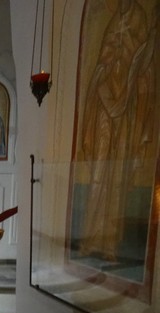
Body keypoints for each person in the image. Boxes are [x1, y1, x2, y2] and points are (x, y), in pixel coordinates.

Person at [77, 0, 156, 261]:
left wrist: (140, 49)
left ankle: (110, 244)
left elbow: (143, 62)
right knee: (100, 173)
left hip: (126, 111)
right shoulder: (113, 25)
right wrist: (108, 91)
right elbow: (103, 60)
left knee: (118, 176)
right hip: (105, 108)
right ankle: (90, 238)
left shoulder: (139, 18)